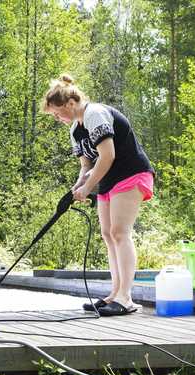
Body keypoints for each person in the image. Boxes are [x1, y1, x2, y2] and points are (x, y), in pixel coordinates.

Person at [41, 74, 154, 316]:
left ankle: (126, 297)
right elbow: (86, 164)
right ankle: (115, 293)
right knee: (107, 234)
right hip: (109, 180)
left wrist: (88, 184)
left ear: (71, 104)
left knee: (120, 233)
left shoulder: (95, 114)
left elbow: (107, 156)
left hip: (131, 173)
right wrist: (79, 185)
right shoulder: (75, 128)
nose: (57, 118)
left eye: (57, 113)